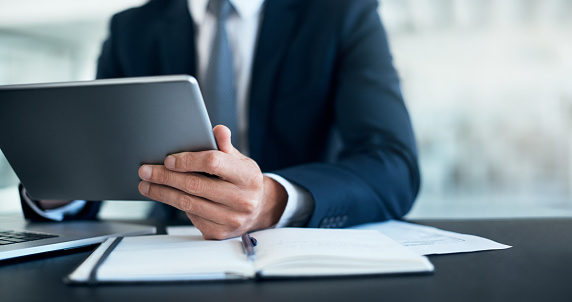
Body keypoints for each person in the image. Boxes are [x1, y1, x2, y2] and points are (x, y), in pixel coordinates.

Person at [20, 0, 420, 240]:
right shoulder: (132, 29)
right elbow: (96, 155)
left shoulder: (341, 13)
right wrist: (56, 181)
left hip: (298, 245)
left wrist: (272, 201)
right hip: (166, 247)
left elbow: (393, 164)